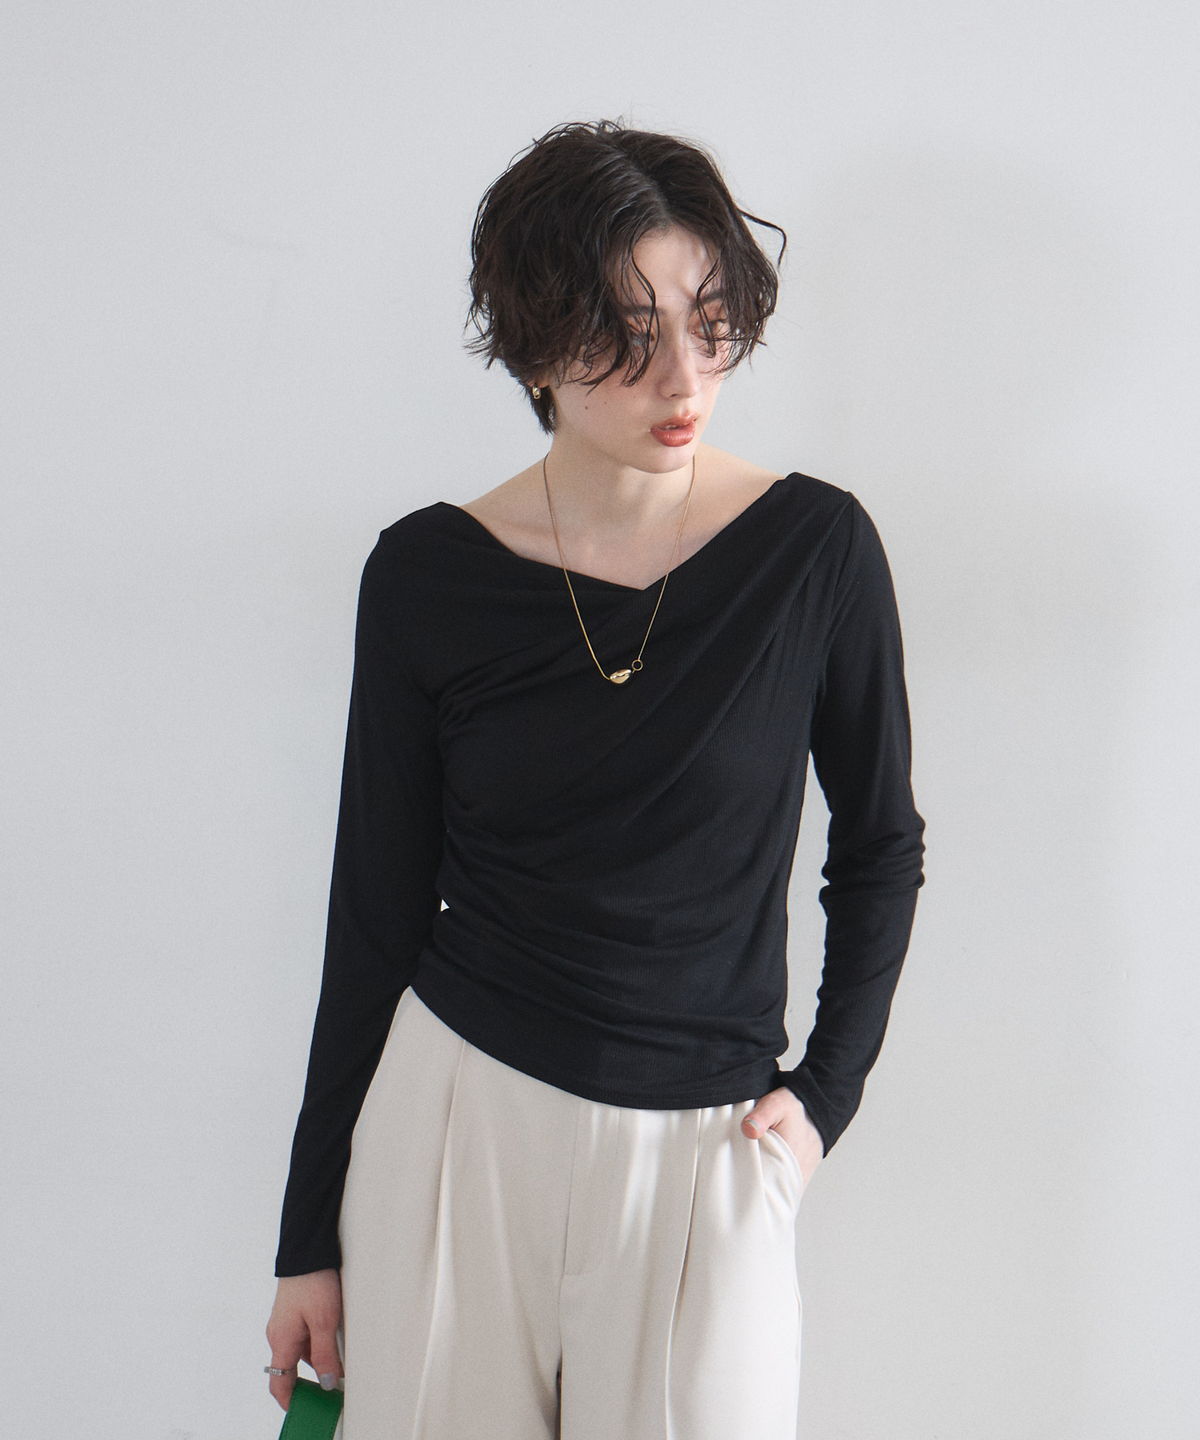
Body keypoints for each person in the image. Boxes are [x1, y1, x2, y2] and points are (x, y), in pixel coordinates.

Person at [265, 119, 925, 1439]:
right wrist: (306, 1237)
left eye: (709, 322)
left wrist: (824, 1103)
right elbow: (375, 909)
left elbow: (878, 847)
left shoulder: (815, 552)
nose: (683, 375)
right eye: (627, 336)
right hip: (455, 1120)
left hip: (709, 1147)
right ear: (533, 348)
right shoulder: (428, 576)